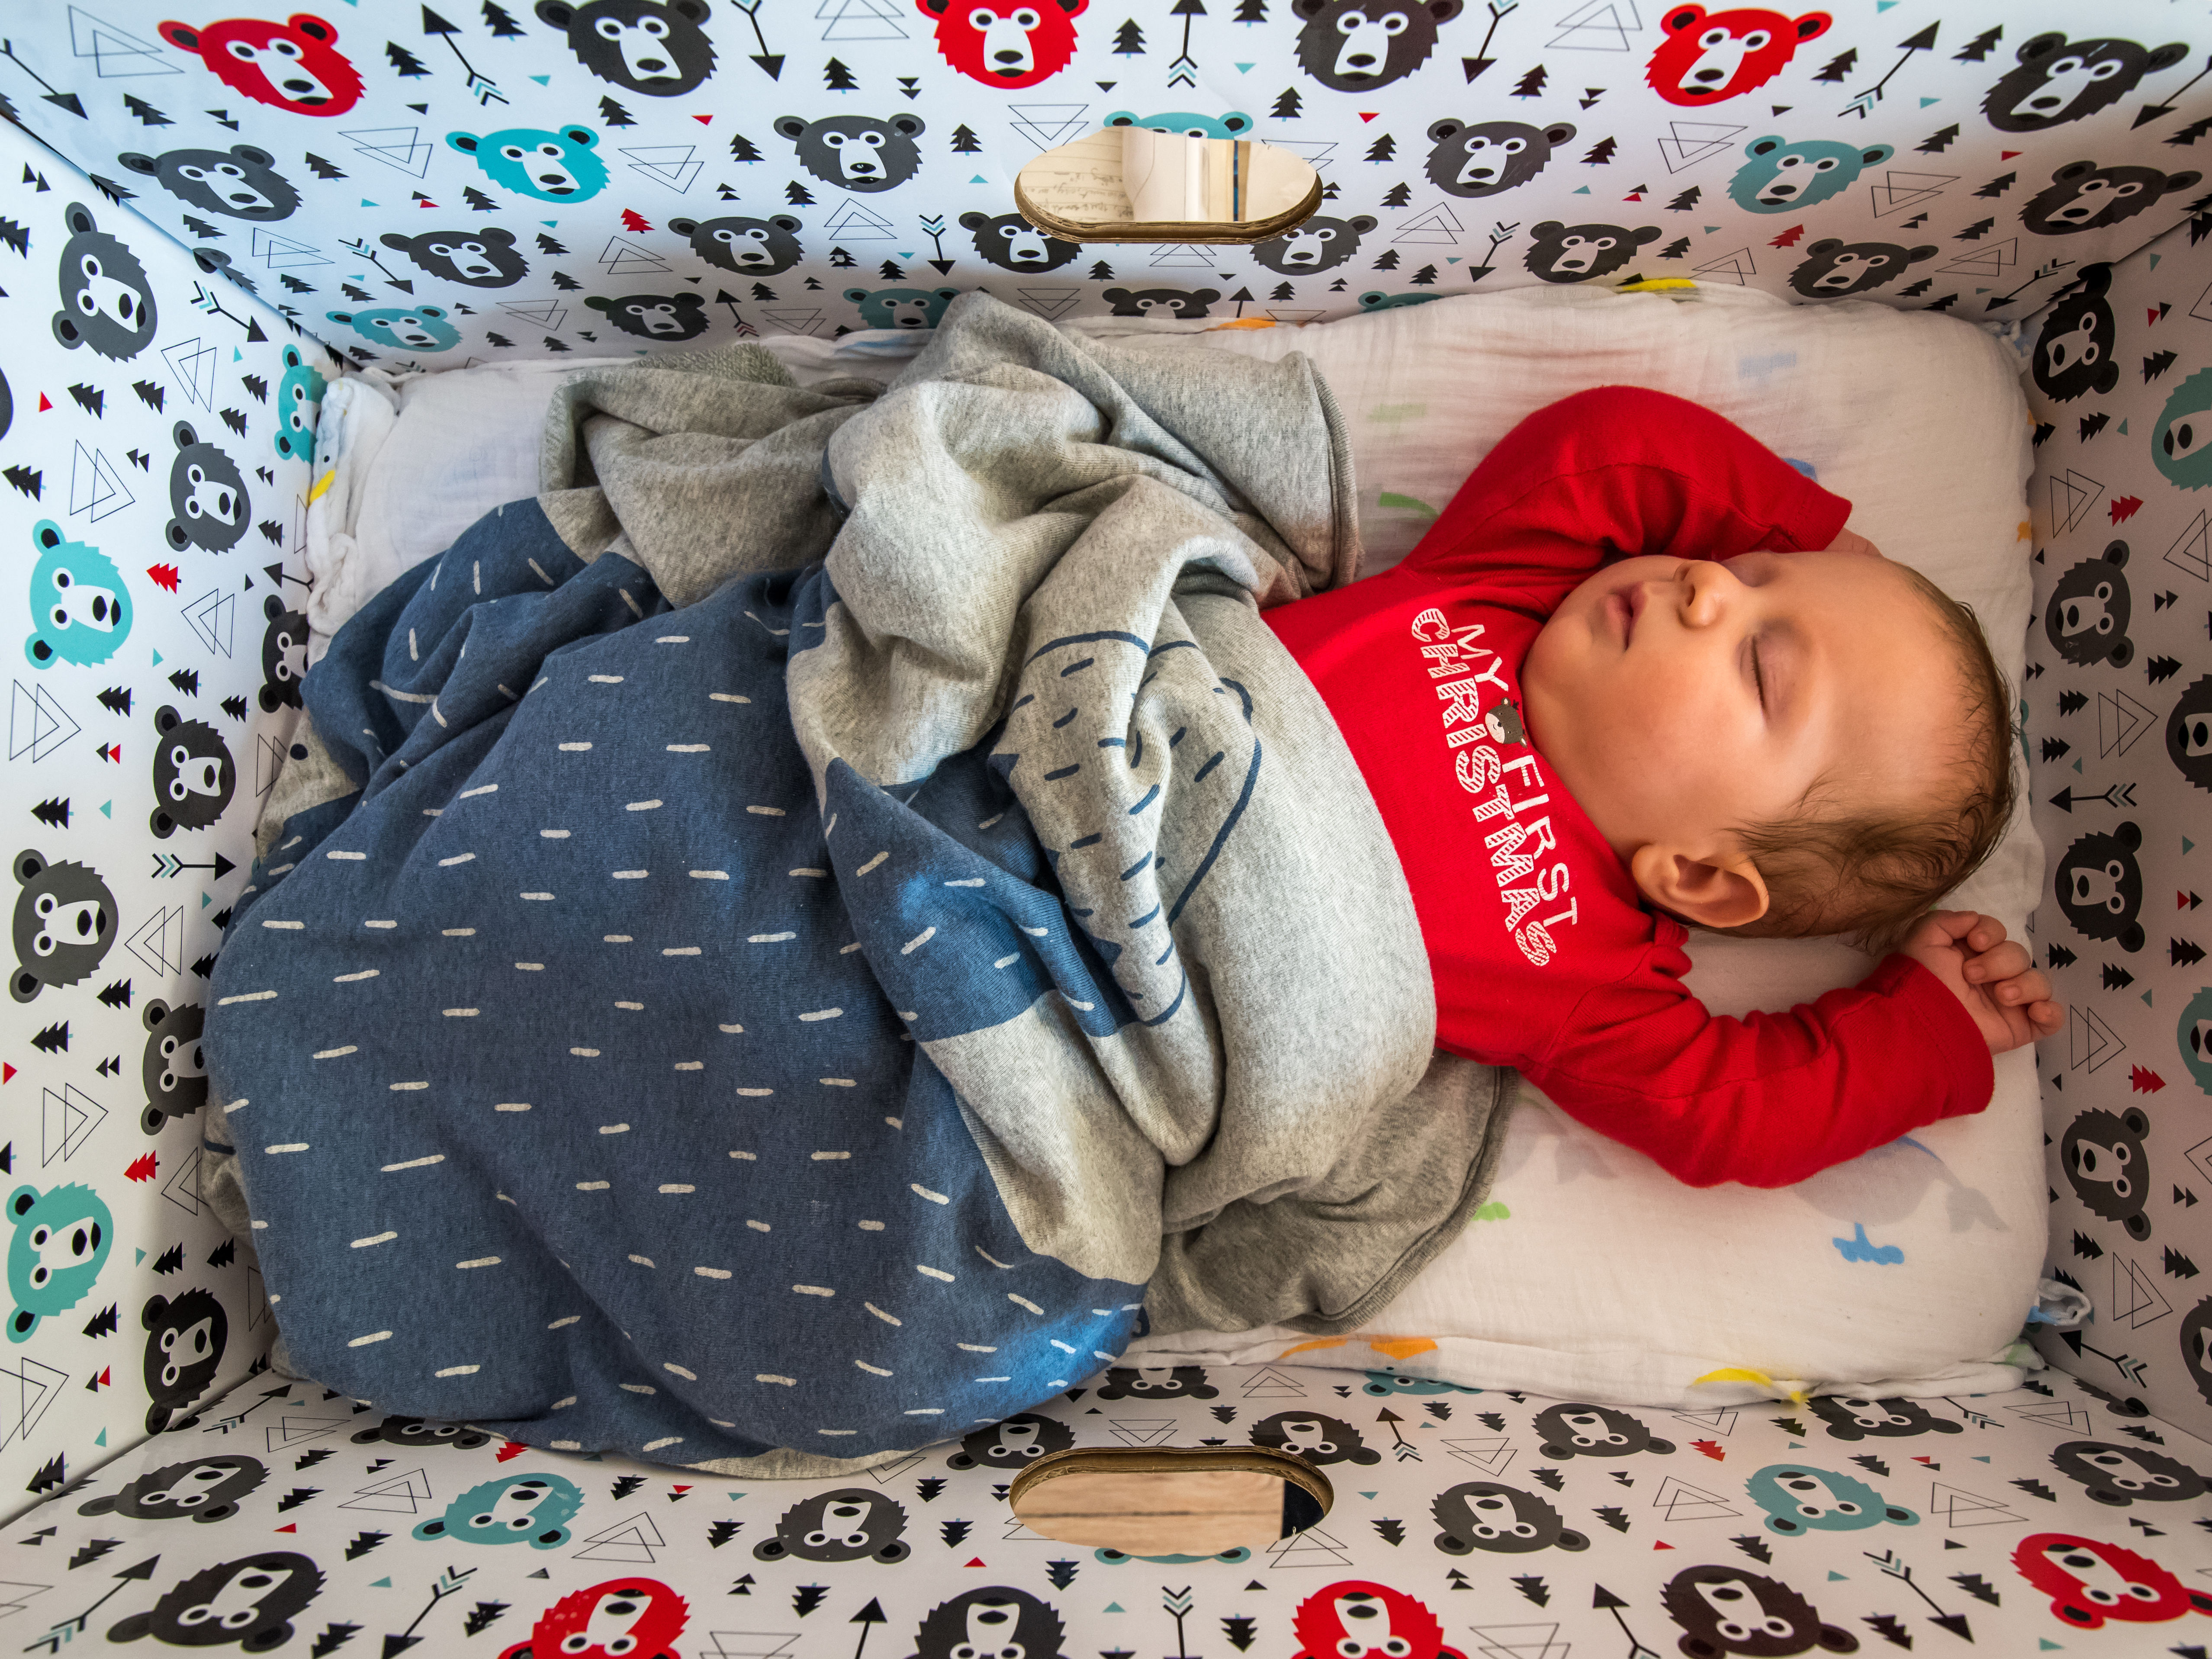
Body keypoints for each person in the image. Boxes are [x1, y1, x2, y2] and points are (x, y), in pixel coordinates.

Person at [1264, 384, 2060, 1188]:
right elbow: (1610, 442)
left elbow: (1733, 1119)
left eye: (1758, 664)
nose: (1706, 587)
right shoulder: (1504, 579)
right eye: (1748, 569)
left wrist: (1926, 1030)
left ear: (1701, 877)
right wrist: (1817, 539)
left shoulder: (1590, 978)